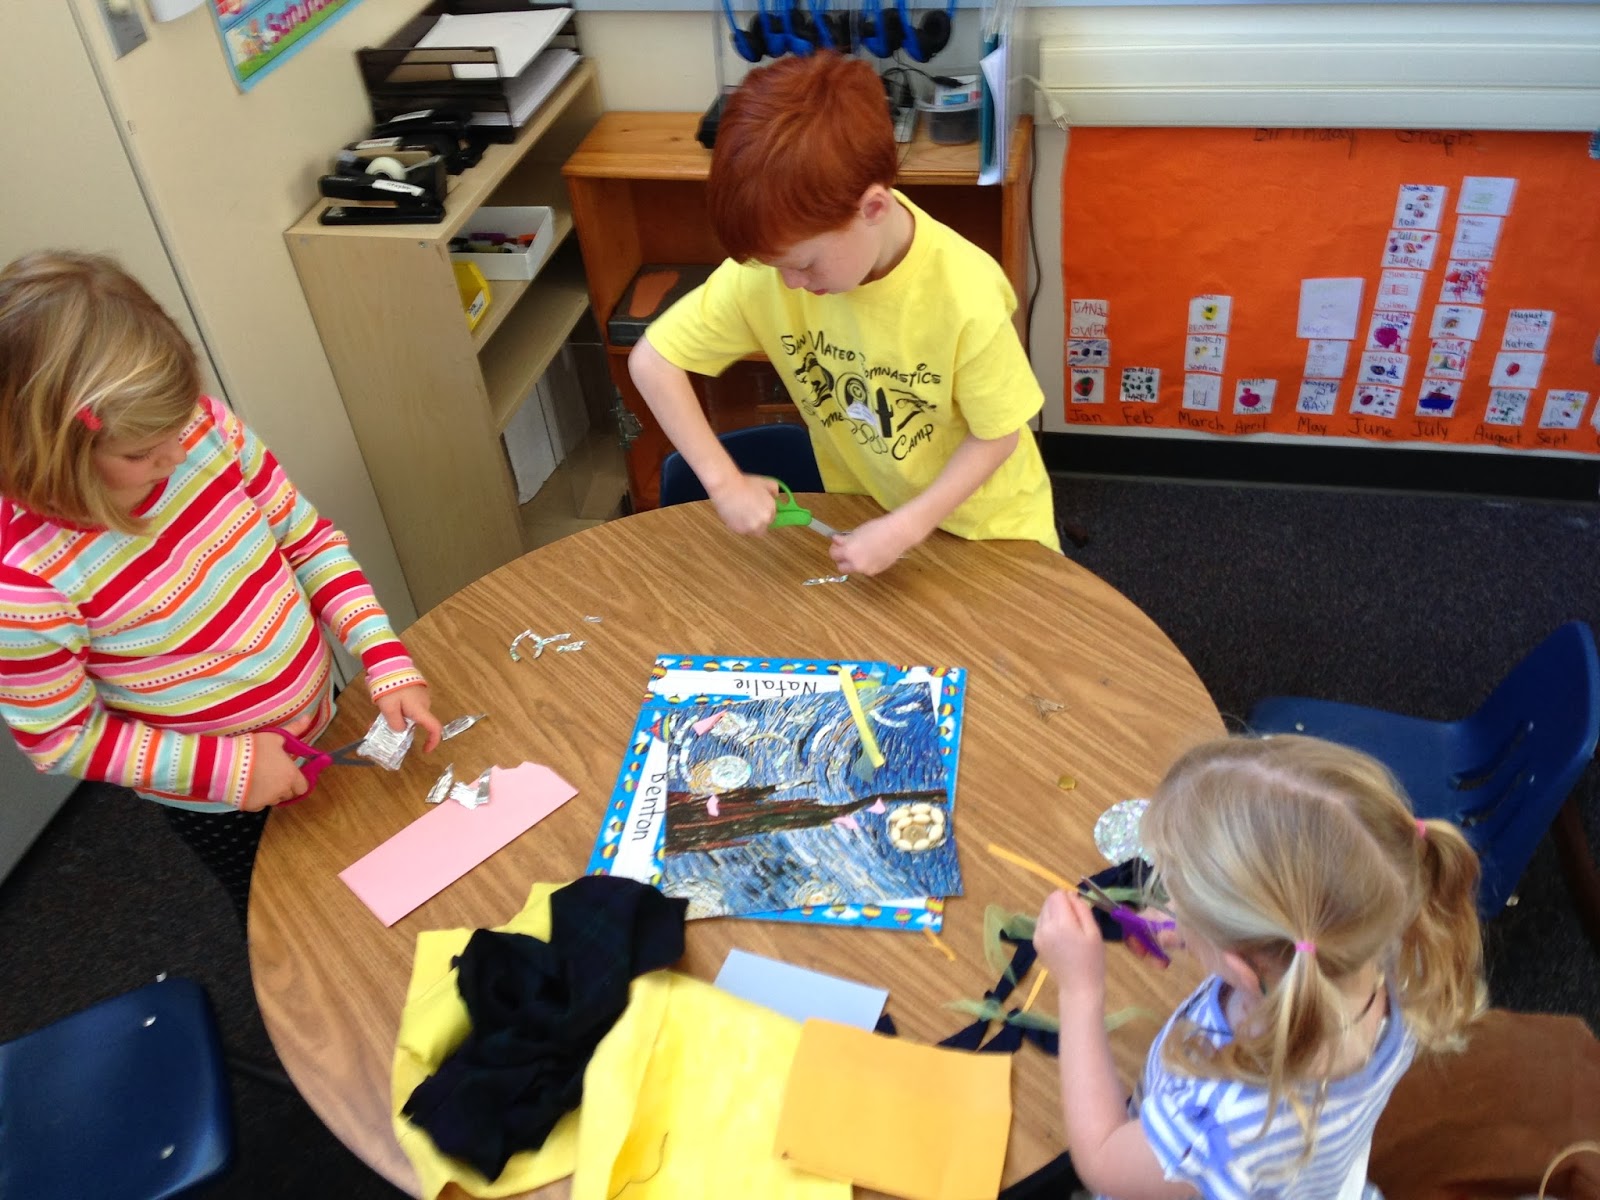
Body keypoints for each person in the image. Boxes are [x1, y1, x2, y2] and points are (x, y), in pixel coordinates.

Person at [0, 251, 442, 923]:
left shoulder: (202, 431)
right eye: (142, 455)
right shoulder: (25, 585)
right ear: (50, 452)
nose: (177, 456)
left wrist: (382, 656)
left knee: (387, 876)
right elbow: (63, 738)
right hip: (221, 799)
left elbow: (309, 541)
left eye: (178, 428)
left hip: (325, 709)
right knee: (295, 925)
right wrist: (229, 772)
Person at [629, 50, 1059, 577]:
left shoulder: (964, 290)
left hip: (993, 535)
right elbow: (653, 362)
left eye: (804, 264)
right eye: (774, 266)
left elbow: (997, 436)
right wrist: (723, 481)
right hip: (876, 520)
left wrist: (906, 527)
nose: (790, 284)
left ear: (873, 209)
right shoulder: (770, 273)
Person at [1034, 735, 1485, 1200]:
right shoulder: (1393, 954)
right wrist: (1199, 929)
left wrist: (1080, 990)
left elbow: (1103, 1158)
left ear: (1244, 960)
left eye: (1179, 895)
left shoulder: (1220, 1117)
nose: (1168, 904)